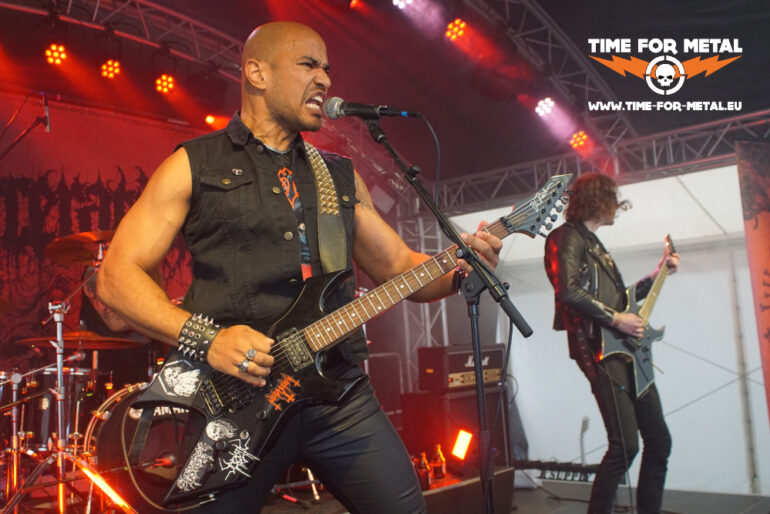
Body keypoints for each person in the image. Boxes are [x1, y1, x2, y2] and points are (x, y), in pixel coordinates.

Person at [98, 21, 502, 513]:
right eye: (308, 64)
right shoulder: (194, 164)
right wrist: (209, 339)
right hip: (239, 399)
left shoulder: (337, 175)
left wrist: (463, 267)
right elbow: (115, 277)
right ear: (257, 74)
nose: (325, 79)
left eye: (327, 68)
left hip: (337, 393)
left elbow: (401, 267)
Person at [543, 173, 679, 514]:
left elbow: (620, 300)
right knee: (625, 447)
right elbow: (569, 292)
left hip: (626, 350)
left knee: (659, 441)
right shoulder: (565, 237)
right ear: (598, 201)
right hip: (598, 348)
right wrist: (617, 319)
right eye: (613, 200)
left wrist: (657, 274)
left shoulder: (594, 243)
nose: (618, 207)